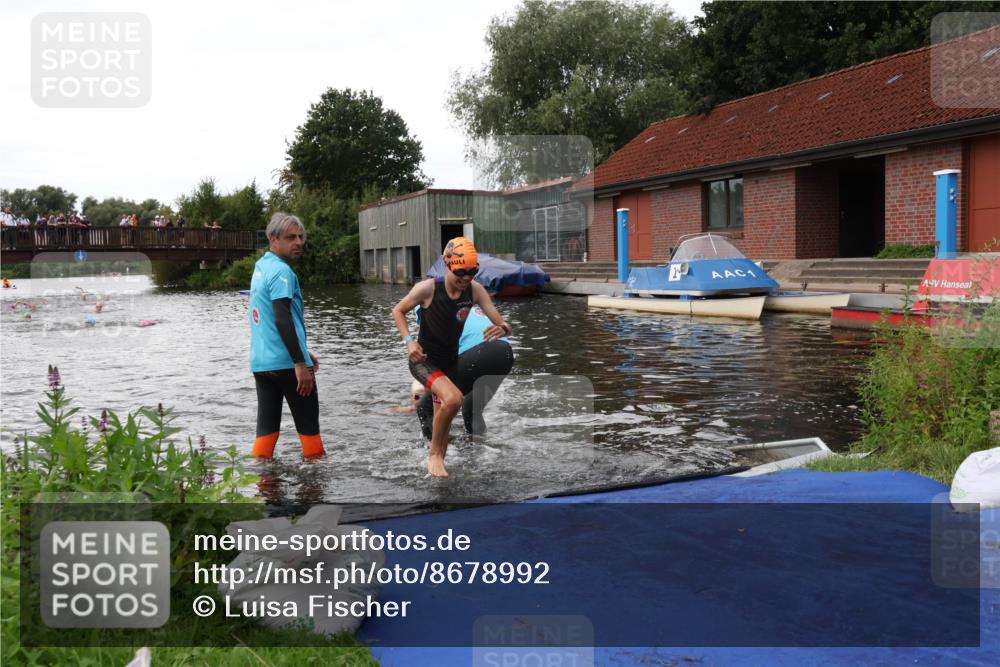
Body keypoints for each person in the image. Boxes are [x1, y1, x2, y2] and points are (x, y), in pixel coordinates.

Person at [392, 237, 512, 478]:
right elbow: (398, 310)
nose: (466, 278)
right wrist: (409, 342)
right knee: (455, 399)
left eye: (472, 271)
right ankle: (433, 455)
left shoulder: (475, 290)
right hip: (424, 361)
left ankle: (438, 475)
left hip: (450, 364)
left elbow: (502, 322)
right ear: (447, 265)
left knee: (443, 422)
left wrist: (504, 329)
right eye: (460, 272)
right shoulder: (428, 289)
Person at [249, 213, 325, 459]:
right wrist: (299, 362)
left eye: (301, 237)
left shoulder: (262, 267)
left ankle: (262, 488)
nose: (299, 242)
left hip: (262, 365)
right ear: (273, 240)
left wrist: (302, 349)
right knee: (309, 430)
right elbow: (282, 318)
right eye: (291, 237)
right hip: (288, 365)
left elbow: (272, 320)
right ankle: (315, 491)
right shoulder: (282, 272)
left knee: (266, 430)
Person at [413, 304, 514, 440]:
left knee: (425, 407)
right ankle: (479, 450)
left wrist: (428, 393)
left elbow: (437, 364)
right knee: (471, 409)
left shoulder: (436, 314)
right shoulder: (466, 307)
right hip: (504, 353)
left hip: (480, 352)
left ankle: (437, 454)